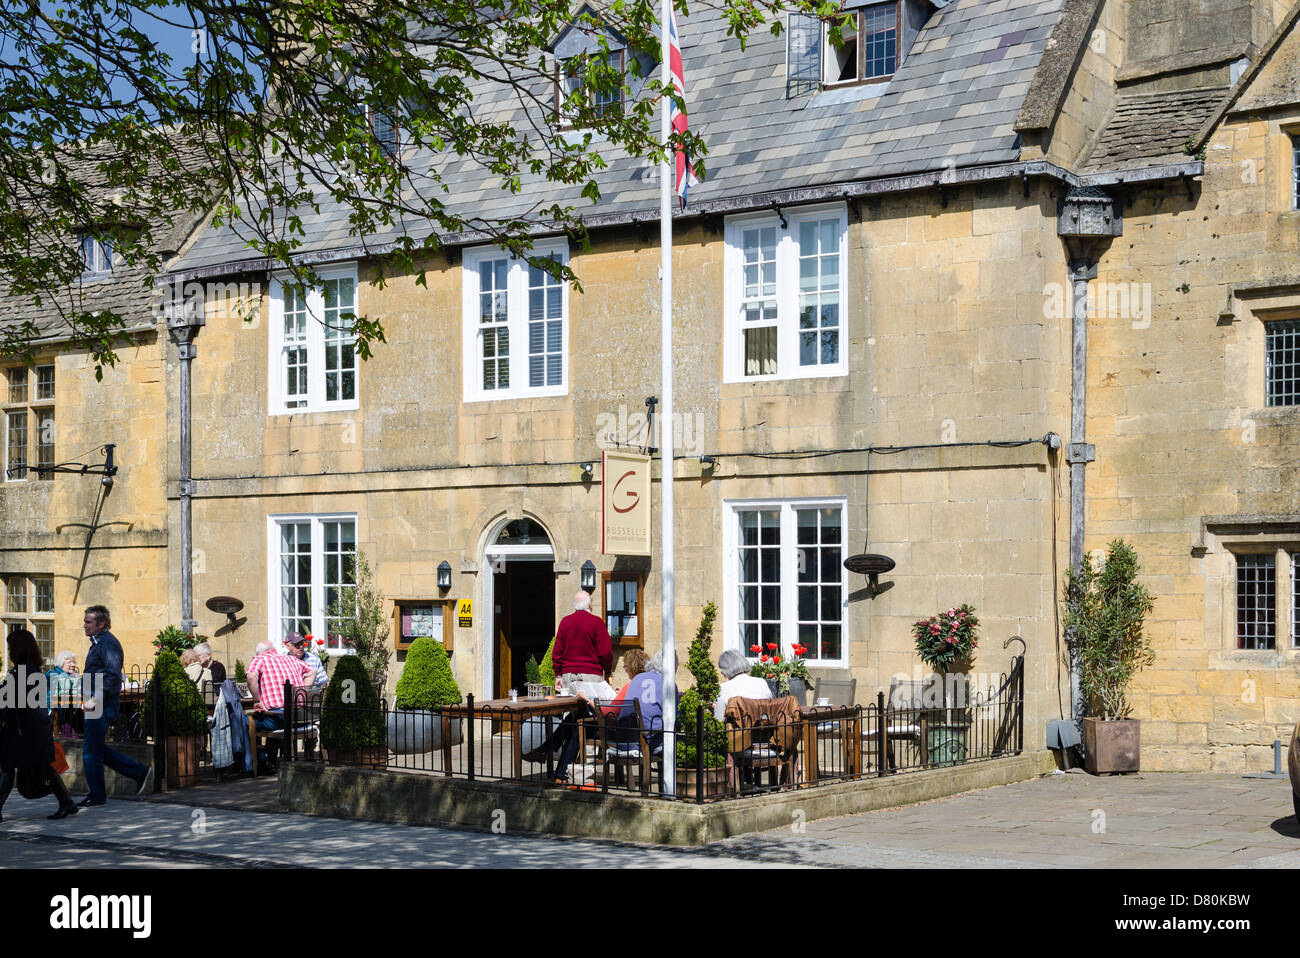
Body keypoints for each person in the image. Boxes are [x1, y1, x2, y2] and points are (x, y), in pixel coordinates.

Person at [0, 630, 79, 821]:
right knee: (34, 767)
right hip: (29, 729)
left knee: (12, 768)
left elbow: (11, 703)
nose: (9, 651)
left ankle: (67, 803)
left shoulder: (24, 671)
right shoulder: (29, 669)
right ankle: (67, 803)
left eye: (11, 647)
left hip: (25, 731)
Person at [79, 605, 152, 806]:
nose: (84, 625)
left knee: (90, 751)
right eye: (85, 621)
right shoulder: (98, 643)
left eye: (88, 622)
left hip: (101, 703)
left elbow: (112, 676)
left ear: (101, 624)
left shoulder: (107, 644)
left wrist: (94, 700)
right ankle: (138, 772)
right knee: (95, 749)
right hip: (96, 702)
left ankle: (97, 795)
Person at [245, 640, 314, 771]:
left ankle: (257, 762)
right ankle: (268, 760)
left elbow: (251, 675)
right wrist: (302, 693)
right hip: (299, 717)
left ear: (259, 652)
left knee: (243, 721)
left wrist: (256, 700)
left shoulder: (260, 659)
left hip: (280, 718)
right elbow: (312, 671)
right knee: (263, 718)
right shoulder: (291, 659)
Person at [552, 590, 613, 692]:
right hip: (591, 675)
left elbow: (557, 651)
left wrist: (558, 675)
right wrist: (607, 672)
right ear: (589, 604)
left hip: (568, 675)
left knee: (570, 708)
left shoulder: (565, 622)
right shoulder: (597, 622)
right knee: (592, 706)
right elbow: (605, 652)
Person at [713, 649, 771, 723]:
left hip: (738, 732)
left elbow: (718, 719)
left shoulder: (724, 688)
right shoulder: (762, 682)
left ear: (726, 670)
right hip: (763, 731)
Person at [45, 651, 80, 737]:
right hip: (56, 715)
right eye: (69, 662)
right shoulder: (53, 675)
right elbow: (50, 699)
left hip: (68, 714)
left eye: (73, 662)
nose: (73, 665)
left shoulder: (72, 676)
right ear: (61, 664)